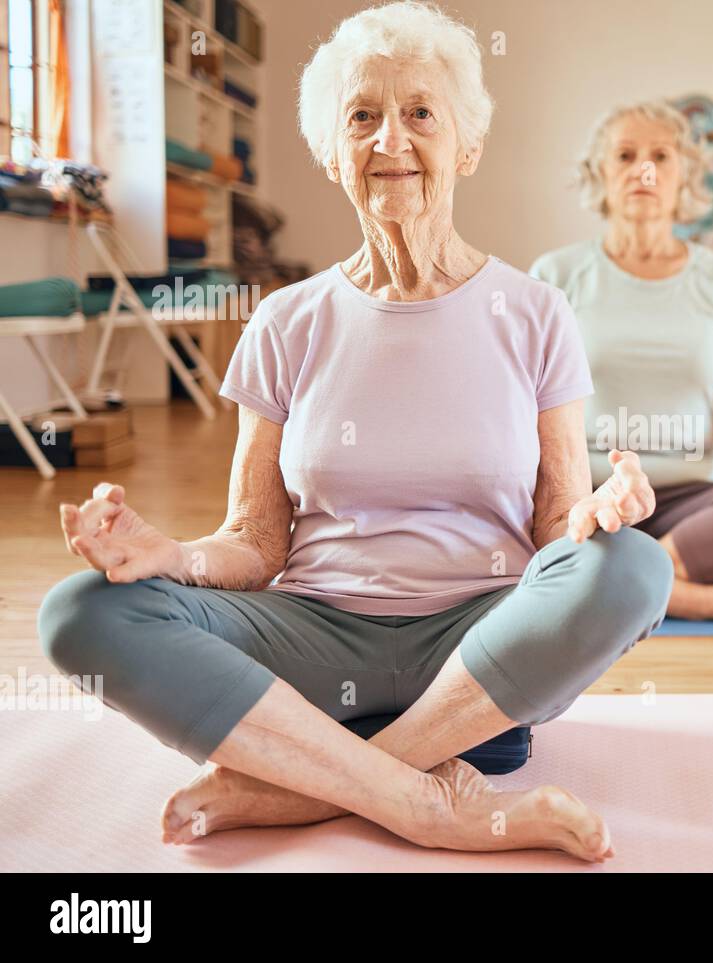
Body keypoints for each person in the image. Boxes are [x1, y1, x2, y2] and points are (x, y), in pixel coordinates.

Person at [38, 1, 675, 863]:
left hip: (479, 644)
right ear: (334, 153)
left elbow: (552, 522)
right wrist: (169, 556)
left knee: (634, 562)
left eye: (419, 113)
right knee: (80, 611)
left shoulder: (533, 313)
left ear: (467, 146)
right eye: (363, 117)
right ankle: (421, 798)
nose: (390, 140)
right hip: (310, 637)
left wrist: (598, 515)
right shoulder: (285, 320)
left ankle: (297, 785)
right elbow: (255, 541)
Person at [531, 101, 713, 625]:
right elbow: (529, 410)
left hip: (695, 499)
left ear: (684, 175)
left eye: (660, 157)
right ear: (601, 174)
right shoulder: (556, 274)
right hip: (592, 494)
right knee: (513, 514)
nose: (643, 170)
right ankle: (693, 598)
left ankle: (636, 582)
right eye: (625, 155)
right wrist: (579, 498)